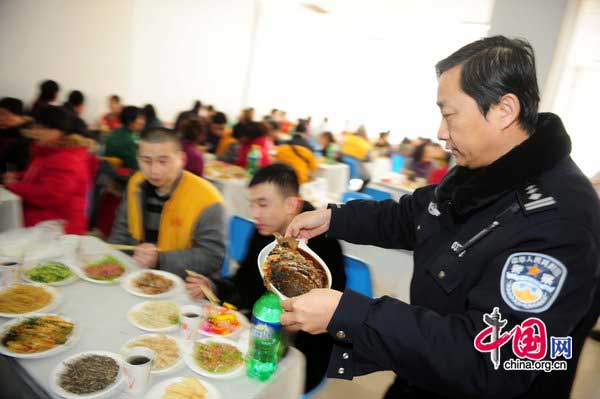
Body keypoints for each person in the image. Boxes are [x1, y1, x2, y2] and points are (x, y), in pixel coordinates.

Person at [279, 36, 600, 399]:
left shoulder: (560, 222)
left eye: (449, 114)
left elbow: (492, 361)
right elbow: (413, 214)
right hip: (423, 372)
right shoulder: (482, 169)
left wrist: (351, 314)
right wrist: (334, 219)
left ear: (504, 110)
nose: (440, 132)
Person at [185, 163, 346, 392]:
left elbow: (330, 320)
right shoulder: (266, 230)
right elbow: (244, 283)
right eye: (252, 204)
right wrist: (214, 287)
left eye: (263, 204)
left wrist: (286, 323)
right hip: (256, 330)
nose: (255, 214)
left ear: (292, 204)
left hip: (301, 352)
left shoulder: (325, 245)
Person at [109, 128, 225, 277]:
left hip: (183, 282)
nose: (154, 171)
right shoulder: (135, 184)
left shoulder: (208, 199)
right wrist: (117, 262)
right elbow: (120, 233)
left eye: (163, 161)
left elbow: (212, 256)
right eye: (146, 161)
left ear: (181, 160)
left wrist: (160, 259)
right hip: (135, 273)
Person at [3, 105, 94, 234]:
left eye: (43, 128)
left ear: (60, 131)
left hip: (57, 228)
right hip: (45, 221)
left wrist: (15, 185)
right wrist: (19, 176)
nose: (36, 131)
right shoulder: (48, 152)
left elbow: (50, 195)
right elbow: (41, 175)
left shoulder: (67, 158)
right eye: (36, 126)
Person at [104, 106, 145, 170]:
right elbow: (136, 166)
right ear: (130, 121)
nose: (143, 122)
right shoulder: (127, 140)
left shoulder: (123, 131)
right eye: (140, 118)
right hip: (122, 173)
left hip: (114, 168)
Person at [0, 98, 33, 174]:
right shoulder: (6, 129)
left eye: (4, 114)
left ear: (19, 116)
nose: (1, 118)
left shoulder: (27, 136)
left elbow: (14, 167)